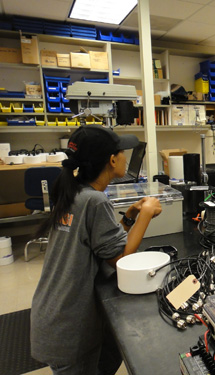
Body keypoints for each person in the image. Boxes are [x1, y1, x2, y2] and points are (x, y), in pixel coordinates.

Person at [30, 125, 162, 375]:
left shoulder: (76, 193)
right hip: (69, 327)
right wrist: (145, 214)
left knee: (111, 353)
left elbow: (104, 246)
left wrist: (130, 218)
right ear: (112, 160)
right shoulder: (94, 200)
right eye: (122, 151)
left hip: (54, 316)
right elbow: (121, 259)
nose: (125, 156)